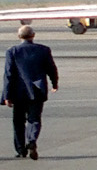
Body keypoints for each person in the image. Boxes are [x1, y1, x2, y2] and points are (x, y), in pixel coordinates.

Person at [3, 25, 59, 160]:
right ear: (33, 35)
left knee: (18, 121)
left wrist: (6, 95)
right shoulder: (43, 50)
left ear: (19, 36)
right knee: (34, 119)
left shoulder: (12, 51)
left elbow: (8, 74)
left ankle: (21, 149)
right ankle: (32, 140)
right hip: (37, 90)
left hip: (18, 92)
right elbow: (51, 69)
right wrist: (54, 83)